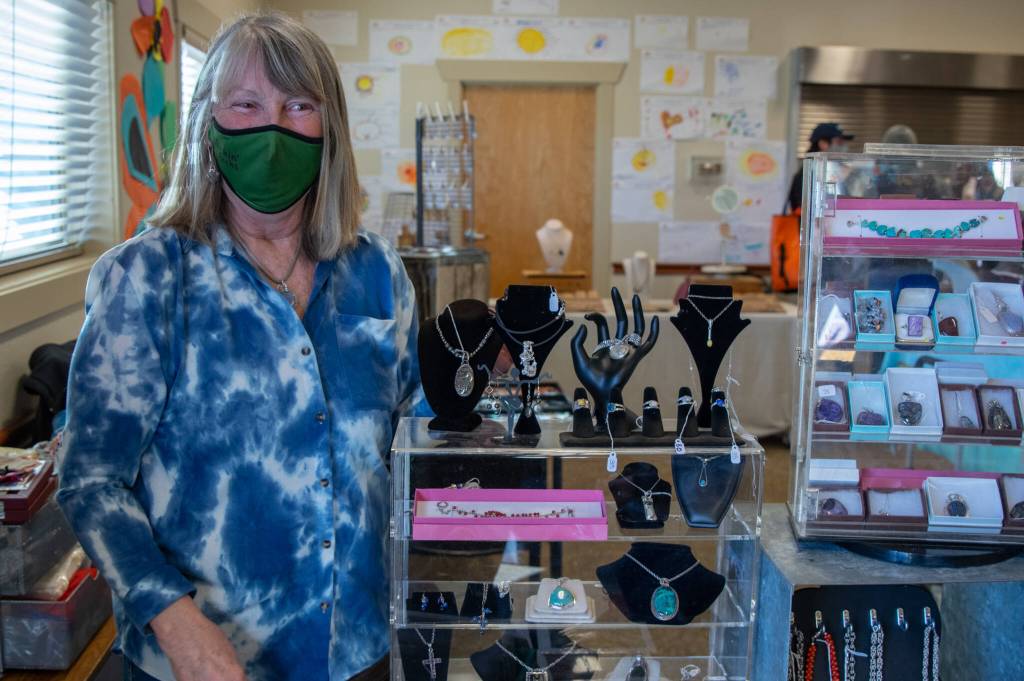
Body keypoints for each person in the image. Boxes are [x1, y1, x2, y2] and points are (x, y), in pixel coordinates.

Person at [56, 12, 421, 681]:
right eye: (246, 103)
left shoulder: (377, 273)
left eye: (297, 105)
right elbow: (90, 479)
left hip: (360, 649)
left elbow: (412, 444)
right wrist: (174, 618)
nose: (271, 128)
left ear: (329, 126)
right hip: (202, 662)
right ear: (210, 122)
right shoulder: (147, 278)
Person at [786, 122, 855, 213]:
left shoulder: (835, 170)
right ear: (823, 144)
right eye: (839, 142)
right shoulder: (808, 175)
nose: (844, 146)